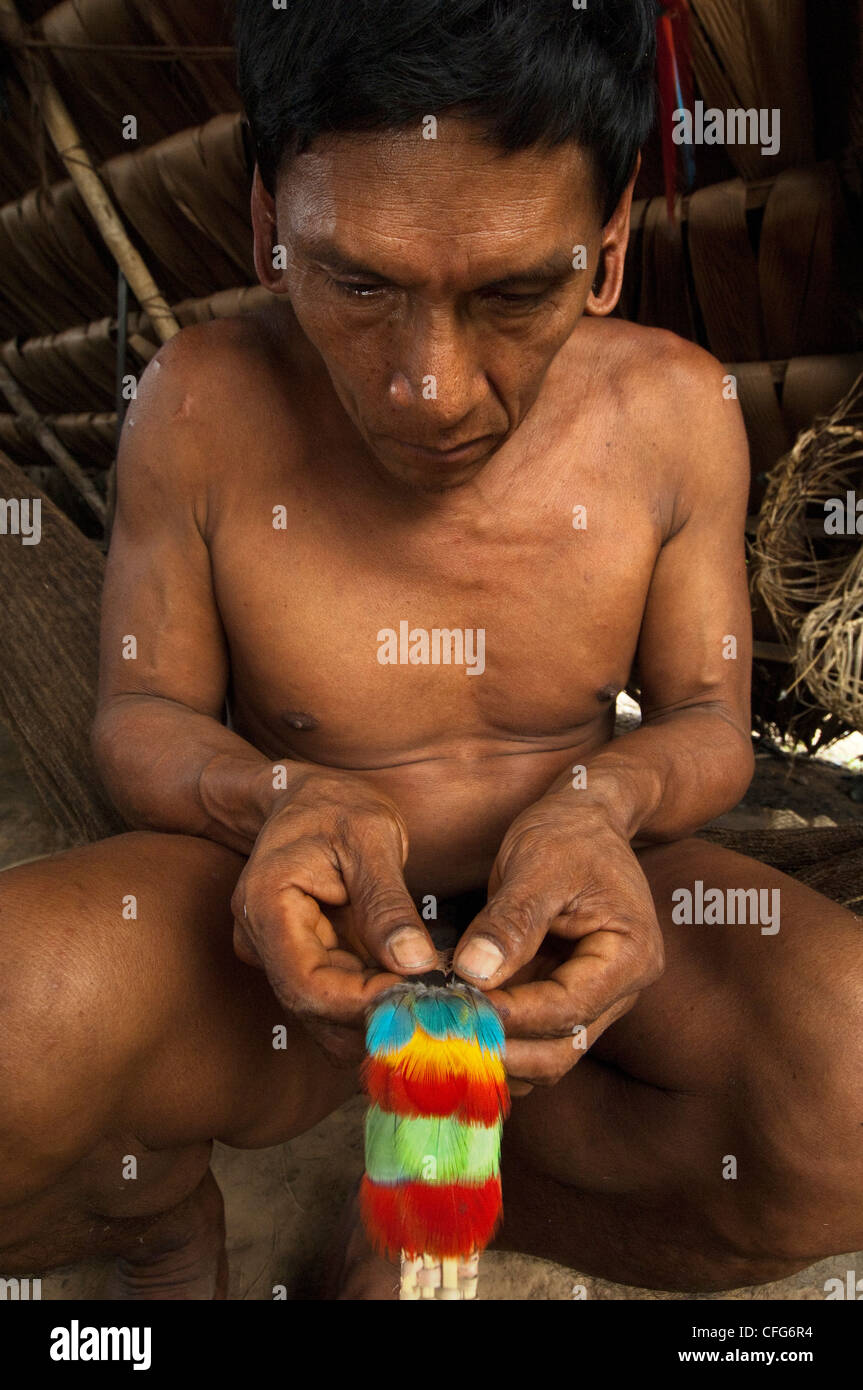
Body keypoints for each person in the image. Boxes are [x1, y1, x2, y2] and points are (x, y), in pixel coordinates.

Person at [1, 0, 861, 1300]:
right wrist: (279, 796)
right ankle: (155, 1222)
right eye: (358, 282)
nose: (432, 387)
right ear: (265, 227)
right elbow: (141, 718)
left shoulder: (678, 411)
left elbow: (705, 720)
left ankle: (428, 1200)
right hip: (271, 935)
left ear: (612, 244)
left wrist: (600, 800)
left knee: (848, 1087)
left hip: (560, 939)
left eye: (518, 291)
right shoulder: (197, 402)